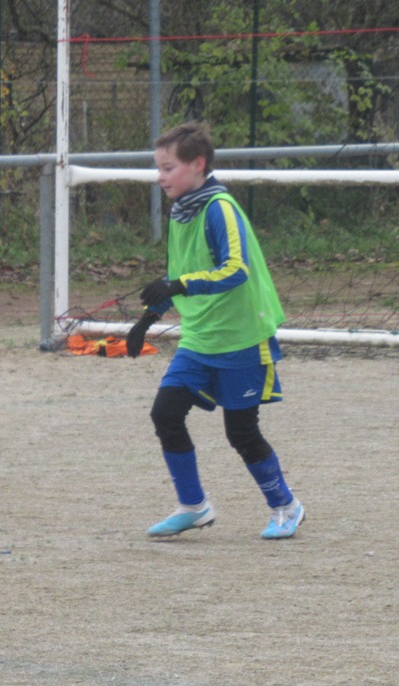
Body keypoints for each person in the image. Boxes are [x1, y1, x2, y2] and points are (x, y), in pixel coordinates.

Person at [126, 121, 304, 540]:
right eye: (158, 168)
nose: (160, 177)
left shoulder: (219, 208)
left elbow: (235, 270)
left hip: (242, 338)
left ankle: (286, 507)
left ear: (198, 164)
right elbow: (179, 274)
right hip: (200, 338)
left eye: (168, 168)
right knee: (165, 414)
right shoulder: (181, 212)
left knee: (241, 432)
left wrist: (178, 285)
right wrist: (148, 318)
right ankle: (193, 506)